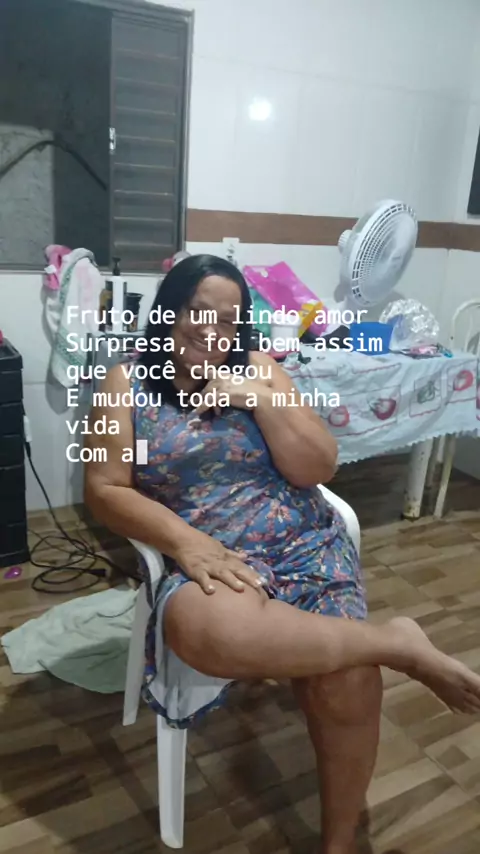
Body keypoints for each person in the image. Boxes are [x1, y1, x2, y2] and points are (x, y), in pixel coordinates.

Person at [84, 255, 480, 854]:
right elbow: (105, 487)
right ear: (169, 311)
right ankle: (395, 643)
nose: (211, 331)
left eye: (228, 319)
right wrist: (187, 542)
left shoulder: (260, 368)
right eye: (197, 312)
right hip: (210, 553)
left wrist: (258, 398)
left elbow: (318, 466)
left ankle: (338, 845)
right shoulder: (127, 382)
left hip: (303, 542)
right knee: (207, 630)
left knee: (348, 681)